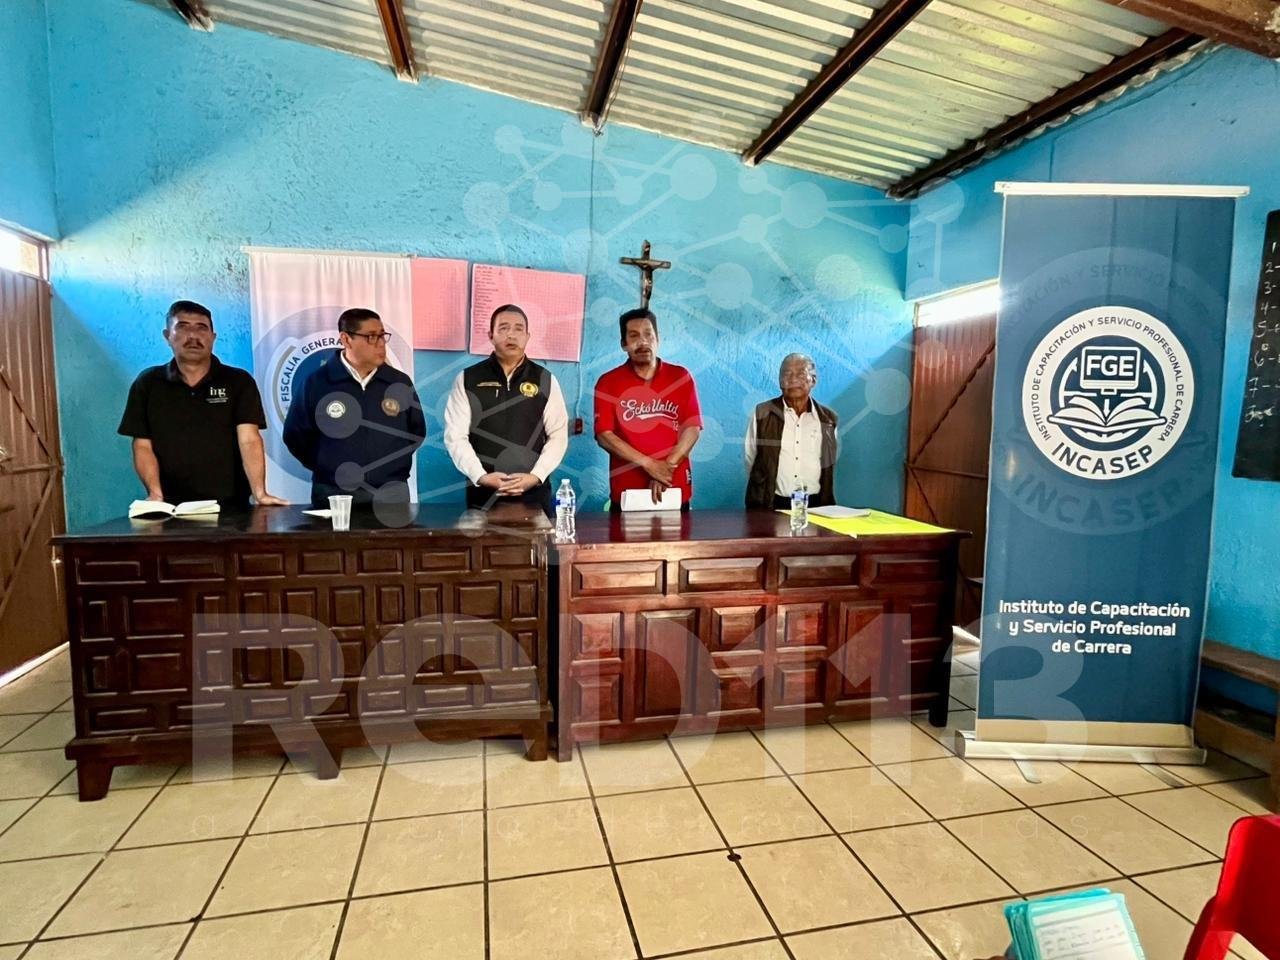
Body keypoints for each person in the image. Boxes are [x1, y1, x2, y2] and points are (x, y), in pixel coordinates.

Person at [118, 299, 285, 509]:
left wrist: (260, 493)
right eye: (183, 327)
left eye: (201, 328)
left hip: (232, 506)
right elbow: (142, 445)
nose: (193, 336)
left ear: (213, 337)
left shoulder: (239, 382)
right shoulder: (148, 383)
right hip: (170, 507)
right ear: (167, 335)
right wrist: (155, 494)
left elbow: (249, 439)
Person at [283, 307, 426, 508]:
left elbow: (416, 432)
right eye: (371, 337)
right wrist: (328, 466)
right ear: (346, 339)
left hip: (390, 492)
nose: (381, 344)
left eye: (382, 336)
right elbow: (295, 436)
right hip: (333, 493)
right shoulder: (317, 383)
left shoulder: (399, 383)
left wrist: (391, 467)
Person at [443, 304, 568, 515]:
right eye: (503, 328)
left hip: (533, 493)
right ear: (491, 336)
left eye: (519, 329)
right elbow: (455, 436)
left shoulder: (545, 380)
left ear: (527, 336)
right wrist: (480, 476)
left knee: (538, 538)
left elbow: (558, 434)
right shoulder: (468, 379)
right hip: (484, 493)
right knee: (482, 538)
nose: (511, 334)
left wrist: (536, 476)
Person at [593, 307, 702, 509]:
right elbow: (604, 436)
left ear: (657, 339)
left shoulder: (680, 377)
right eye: (634, 336)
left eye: (648, 334)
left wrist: (666, 468)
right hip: (627, 490)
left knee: (680, 531)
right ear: (623, 344)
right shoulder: (608, 382)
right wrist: (650, 465)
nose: (643, 342)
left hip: (673, 486)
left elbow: (692, 428)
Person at [744, 353, 839, 509]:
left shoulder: (828, 419)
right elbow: (751, 458)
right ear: (780, 381)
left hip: (816, 506)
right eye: (787, 374)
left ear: (813, 380)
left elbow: (829, 462)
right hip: (771, 503)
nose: (793, 379)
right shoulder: (763, 413)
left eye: (800, 374)